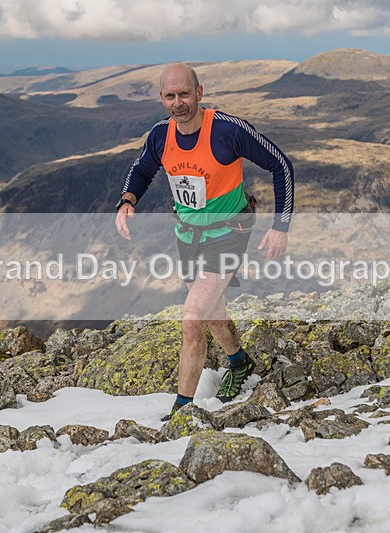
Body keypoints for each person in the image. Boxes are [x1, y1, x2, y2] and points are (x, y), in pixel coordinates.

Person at [114, 63, 294, 420]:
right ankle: (239, 363)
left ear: (199, 92)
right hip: (188, 236)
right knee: (211, 312)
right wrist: (127, 200)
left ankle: (182, 411)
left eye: (184, 94)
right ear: (161, 98)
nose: (178, 103)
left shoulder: (227, 130)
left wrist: (281, 225)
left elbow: (281, 165)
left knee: (192, 318)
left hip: (230, 233)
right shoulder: (160, 134)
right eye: (170, 96)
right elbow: (143, 168)